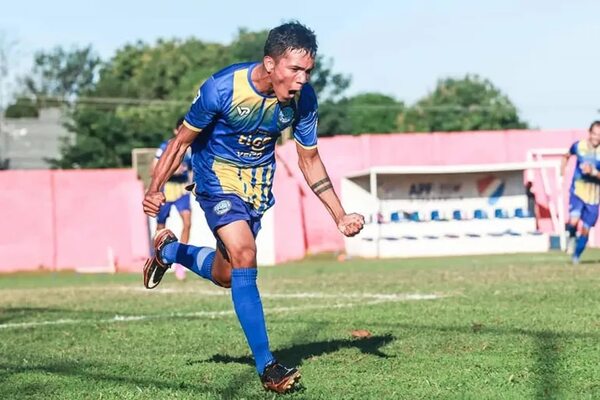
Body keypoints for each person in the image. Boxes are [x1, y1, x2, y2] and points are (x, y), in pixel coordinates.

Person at [141, 21, 364, 394]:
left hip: (257, 186)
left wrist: (339, 215)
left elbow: (309, 160)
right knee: (246, 254)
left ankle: (168, 250)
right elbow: (181, 142)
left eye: (308, 71)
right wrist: (155, 187)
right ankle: (268, 367)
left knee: (228, 274)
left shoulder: (303, 102)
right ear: (271, 64)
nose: (302, 80)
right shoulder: (223, 88)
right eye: (295, 70)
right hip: (215, 178)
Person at [152, 117, 193, 280]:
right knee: (161, 227)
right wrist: (170, 171)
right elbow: (153, 168)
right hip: (166, 190)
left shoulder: (190, 149)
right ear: (176, 131)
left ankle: (180, 263)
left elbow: (191, 171)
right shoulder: (165, 147)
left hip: (182, 190)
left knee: (188, 222)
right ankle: (157, 258)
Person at [561, 120, 600, 264]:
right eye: (595, 134)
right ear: (590, 133)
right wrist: (561, 174)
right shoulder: (579, 146)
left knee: (585, 230)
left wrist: (595, 173)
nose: (597, 137)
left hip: (594, 197)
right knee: (573, 221)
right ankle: (571, 236)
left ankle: (576, 257)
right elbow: (566, 156)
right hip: (577, 191)